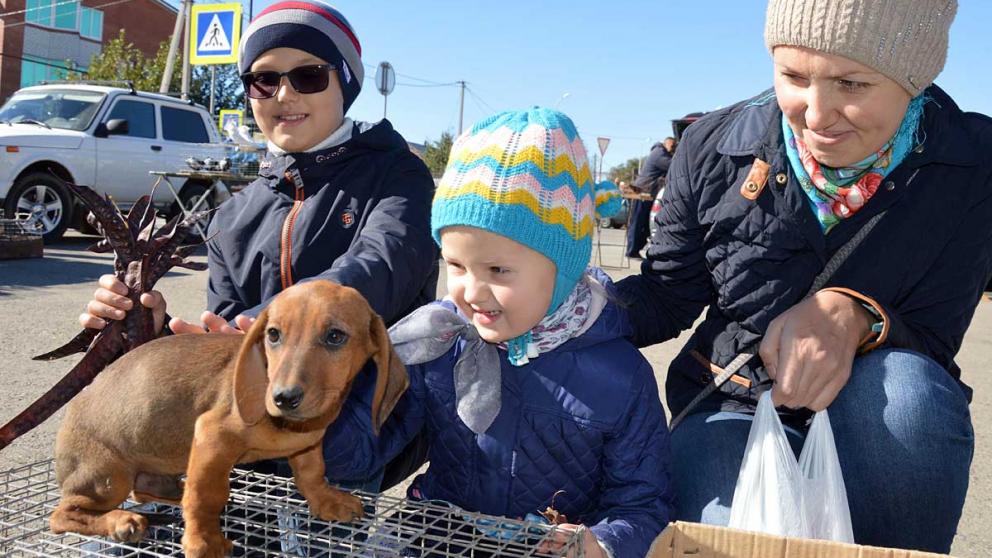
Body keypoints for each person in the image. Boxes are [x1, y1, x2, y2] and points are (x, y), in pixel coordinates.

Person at [616, 0, 991, 553]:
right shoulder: (711, 145)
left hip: (881, 417)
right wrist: (569, 305)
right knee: (733, 545)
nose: (815, 115)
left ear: (915, 76)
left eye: (852, 84)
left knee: (911, 397)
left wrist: (860, 316)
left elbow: (934, 336)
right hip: (733, 403)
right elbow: (666, 293)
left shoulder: (974, 164)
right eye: (793, 76)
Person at [79, 1, 437, 487]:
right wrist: (152, 328)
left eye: (309, 76)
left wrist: (267, 322)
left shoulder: (398, 177)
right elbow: (226, 334)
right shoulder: (232, 216)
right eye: (263, 80)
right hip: (259, 435)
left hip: (358, 421)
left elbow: (380, 266)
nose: (284, 94)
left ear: (347, 84)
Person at [323, 108, 674, 558]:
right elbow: (359, 451)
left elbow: (645, 504)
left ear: (562, 266)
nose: (471, 292)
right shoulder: (435, 344)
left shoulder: (620, 377)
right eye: (456, 265)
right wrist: (315, 408)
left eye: (498, 270)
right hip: (437, 536)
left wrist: (602, 543)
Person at [624, 137, 674, 258]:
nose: (673, 149)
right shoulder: (659, 153)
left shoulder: (660, 152)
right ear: (666, 143)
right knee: (638, 223)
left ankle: (635, 249)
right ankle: (631, 251)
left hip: (647, 193)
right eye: (673, 146)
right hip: (642, 192)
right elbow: (672, 165)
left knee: (645, 225)